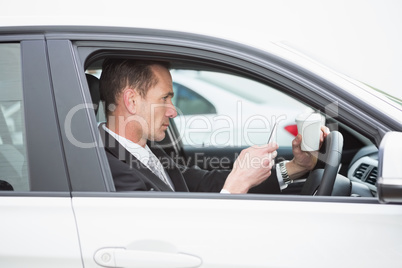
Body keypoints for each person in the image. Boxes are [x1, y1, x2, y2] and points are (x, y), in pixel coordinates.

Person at [98, 58, 329, 193]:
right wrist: (235, 187)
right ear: (131, 100)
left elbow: (204, 183)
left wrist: (296, 166)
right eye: (164, 98)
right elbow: (169, 240)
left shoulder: (149, 151)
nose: (173, 111)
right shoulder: (109, 170)